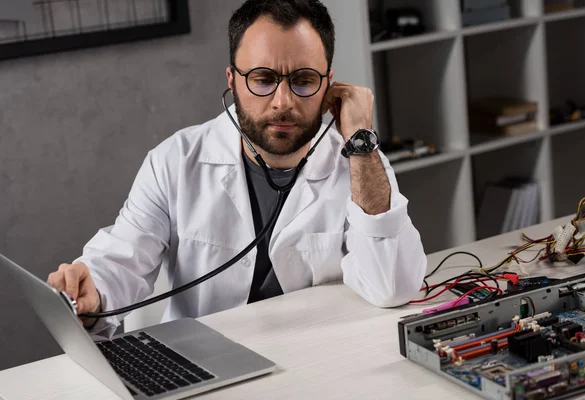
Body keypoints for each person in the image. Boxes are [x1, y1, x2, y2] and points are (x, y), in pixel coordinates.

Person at [46, 0, 427, 338]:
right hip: (203, 365)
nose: (282, 102)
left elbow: (392, 285)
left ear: (329, 85)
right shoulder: (174, 162)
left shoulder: (361, 162)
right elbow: (121, 260)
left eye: (303, 81)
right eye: (262, 79)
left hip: (318, 360)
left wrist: (361, 140)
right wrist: (91, 293)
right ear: (233, 80)